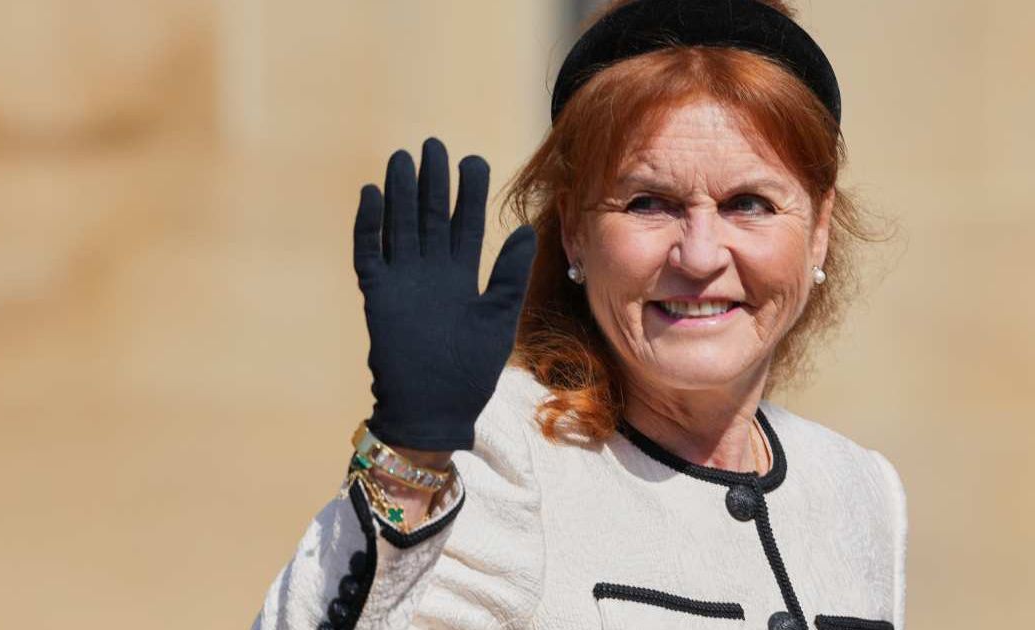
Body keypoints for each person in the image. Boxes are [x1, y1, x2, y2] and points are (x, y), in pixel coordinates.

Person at [253, 1, 906, 628]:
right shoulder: (504, 454)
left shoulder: (860, 491)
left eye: (750, 203)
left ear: (818, 230)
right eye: (648, 203)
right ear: (574, 232)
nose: (701, 255)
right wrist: (411, 457)